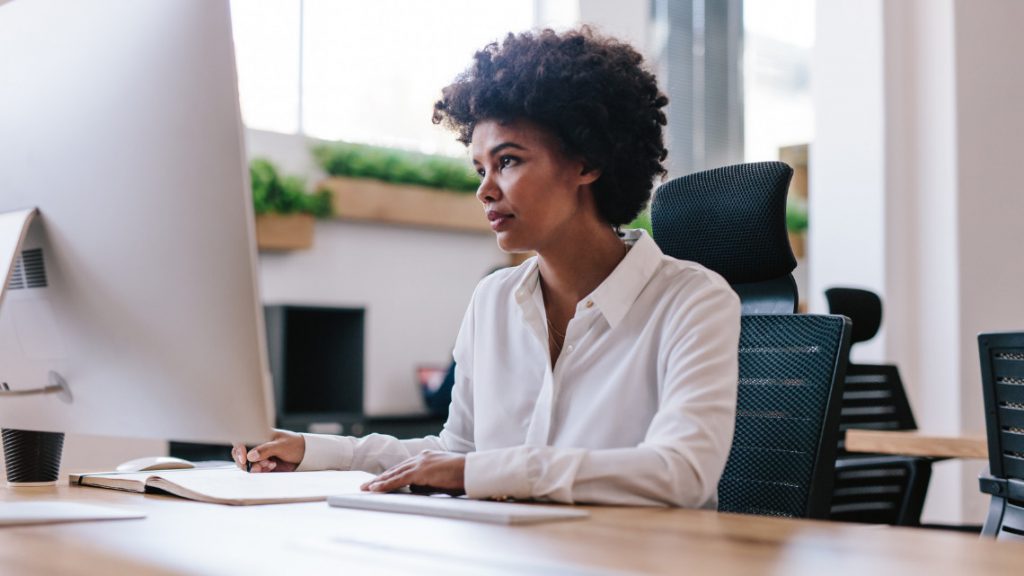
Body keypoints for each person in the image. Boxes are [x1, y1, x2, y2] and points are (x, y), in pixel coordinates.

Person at [233, 27, 740, 508]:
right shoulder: (493, 299)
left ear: (587, 163)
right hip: (514, 553)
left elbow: (681, 473)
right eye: (481, 168)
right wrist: (316, 452)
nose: (485, 190)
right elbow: (457, 453)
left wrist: (485, 472)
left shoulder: (693, 300)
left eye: (509, 162)